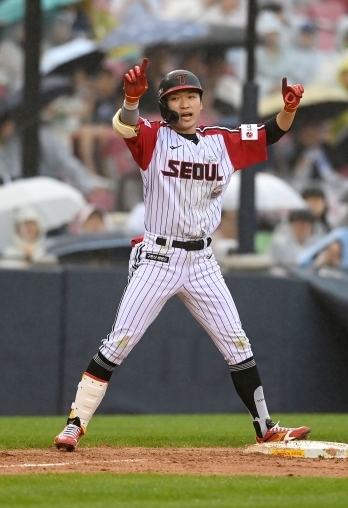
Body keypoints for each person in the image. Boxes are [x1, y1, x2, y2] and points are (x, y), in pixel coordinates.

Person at [53, 59, 311, 451]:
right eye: (178, 97)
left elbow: (270, 133)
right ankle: (75, 424)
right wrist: (130, 99)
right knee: (119, 341)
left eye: (192, 95)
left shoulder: (220, 141)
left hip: (202, 261)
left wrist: (289, 109)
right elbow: (124, 126)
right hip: (158, 256)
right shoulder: (154, 136)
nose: (187, 103)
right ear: (164, 105)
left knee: (237, 344)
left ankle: (265, 427)